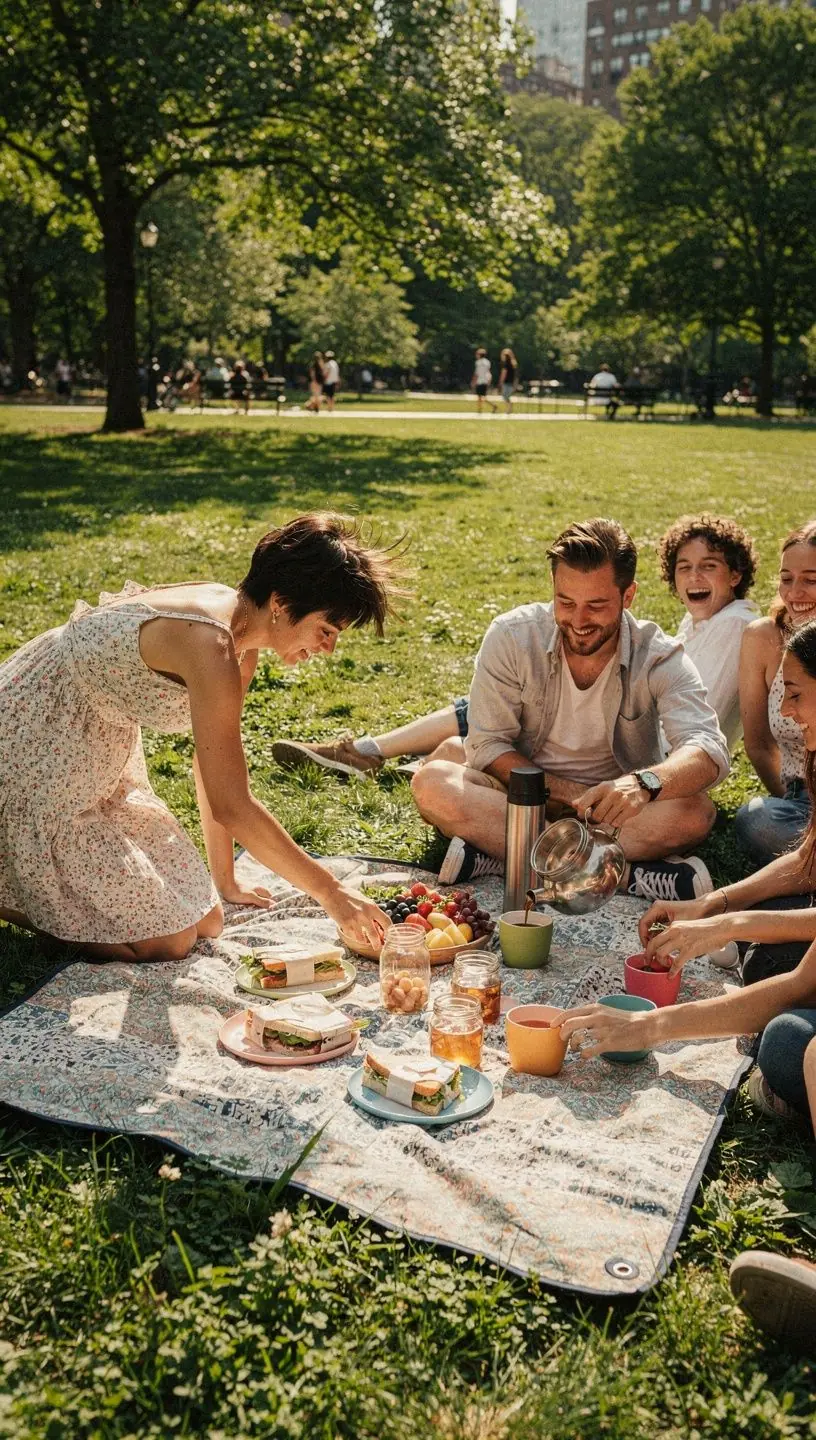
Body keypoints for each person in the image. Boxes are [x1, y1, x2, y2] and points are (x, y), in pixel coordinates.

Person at [0, 514, 400, 961]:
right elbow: (233, 805)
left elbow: (212, 770)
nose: (328, 648)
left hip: (95, 758)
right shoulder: (209, 644)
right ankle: (13, 888)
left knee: (207, 919)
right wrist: (332, 893)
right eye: (326, 630)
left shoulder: (240, 644)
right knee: (168, 941)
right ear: (282, 603)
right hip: (36, 741)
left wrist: (226, 882)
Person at [411, 518, 729, 891]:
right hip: (518, 796)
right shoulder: (512, 636)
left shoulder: (658, 656)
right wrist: (569, 795)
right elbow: (489, 744)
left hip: (614, 810)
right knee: (433, 782)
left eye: (596, 605)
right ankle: (622, 877)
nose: (578, 621)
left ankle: (504, 855)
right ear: (553, 587)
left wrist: (643, 783)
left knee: (694, 813)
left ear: (628, 597)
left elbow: (707, 749)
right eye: (566, 602)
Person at [735, 520, 816, 866]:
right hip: (799, 800)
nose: (795, 592)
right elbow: (757, 743)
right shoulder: (762, 638)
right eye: (786, 579)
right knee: (757, 820)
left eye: (811, 580)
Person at [658, 514, 759, 753]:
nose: (694, 576)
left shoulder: (734, 623)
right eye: (684, 567)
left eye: (709, 566)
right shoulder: (698, 622)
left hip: (676, 761)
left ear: (735, 575)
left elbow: (700, 715)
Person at [472, 348, 497, 414]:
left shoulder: (478, 362)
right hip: (485, 380)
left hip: (480, 381)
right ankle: (482, 409)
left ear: (479, 355)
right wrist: (489, 380)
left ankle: (480, 410)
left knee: (480, 396)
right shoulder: (487, 362)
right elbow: (488, 372)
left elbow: (476, 373)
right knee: (482, 396)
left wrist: (473, 381)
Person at [498, 348, 518, 414]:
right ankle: (509, 409)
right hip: (511, 382)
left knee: (505, 396)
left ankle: (509, 408)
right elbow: (516, 375)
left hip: (506, 382)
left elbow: (503, 374)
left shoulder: (505, 364)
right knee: (507, 396)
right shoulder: (513, 364)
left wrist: (500, 382)